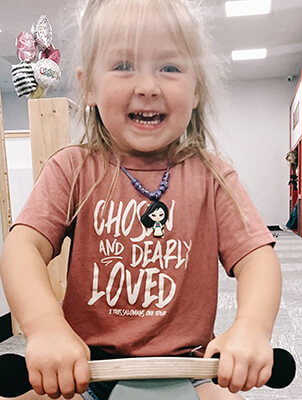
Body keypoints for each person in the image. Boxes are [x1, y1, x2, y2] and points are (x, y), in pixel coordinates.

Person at [0, 0, 282, 399]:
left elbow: (258, 259)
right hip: (86, 367)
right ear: (88, 87)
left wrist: (252, 327)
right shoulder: (72, 169)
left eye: (169, 68)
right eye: (123, 66)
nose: (148, 86)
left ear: (196, 88)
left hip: (190, 365)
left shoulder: (213, 176)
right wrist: (46, 327)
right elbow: (22, 247)